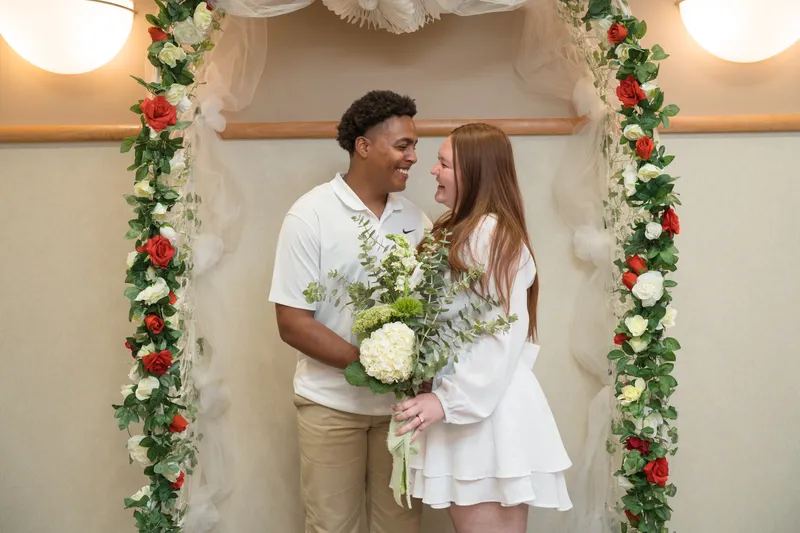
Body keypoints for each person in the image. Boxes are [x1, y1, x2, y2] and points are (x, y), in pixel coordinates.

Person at [393, 123, 573, 533]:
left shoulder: (487, 234)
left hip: (483, 412)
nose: (432, 171)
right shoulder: (462, 230)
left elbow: (501, 333)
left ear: (473, 173)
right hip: (473, 405)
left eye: (443, 164)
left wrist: (448, 401)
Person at [269, 90, 429, 533]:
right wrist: (370, 366)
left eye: (414, 145)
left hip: (401, 411)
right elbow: (292, 322)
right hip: (330, 405)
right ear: (363, 146)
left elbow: (433, 314)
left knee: (401, 526)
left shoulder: (417, 220)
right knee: (332, 527)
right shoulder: (310, 215)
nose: (414, 156)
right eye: (403, 145)